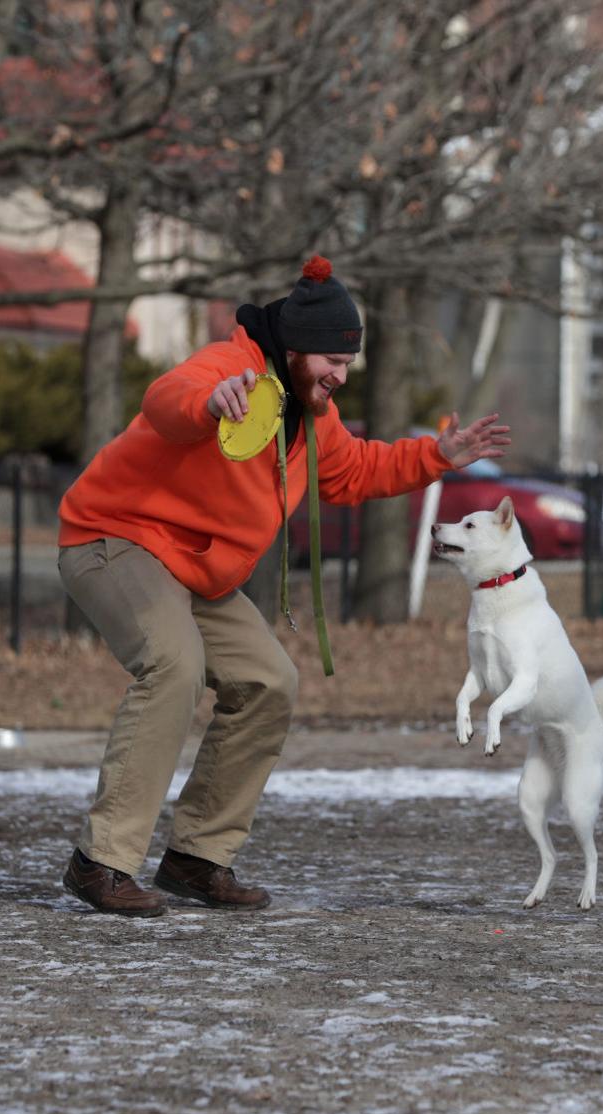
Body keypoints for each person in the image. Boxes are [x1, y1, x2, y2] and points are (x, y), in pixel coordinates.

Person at [55, 254, 509, 917]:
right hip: (114, 539)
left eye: (348, 364)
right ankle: (103, 862)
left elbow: (353, 470)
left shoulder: (309, 412)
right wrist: (210, 403)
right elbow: (165, 402)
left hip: (194, 570)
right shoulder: (227, 368)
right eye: (333, 361)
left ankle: (197, 857)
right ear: (295, 348)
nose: (341, 376)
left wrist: (436, 456)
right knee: (174, 668)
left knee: (270, 680)